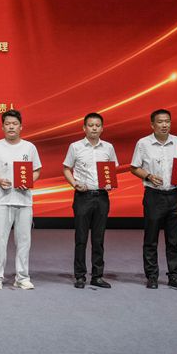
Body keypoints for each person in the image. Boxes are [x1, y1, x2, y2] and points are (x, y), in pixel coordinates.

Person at [130, 109, 177, 290]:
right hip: (154, 196)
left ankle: (174, 276)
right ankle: (152, 276)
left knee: (174, 240)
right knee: (151, 239)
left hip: (175, 196)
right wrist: (148, 176)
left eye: (167, 121)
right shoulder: (143, 143)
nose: (165, 125)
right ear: (152, 125)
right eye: (160, 122)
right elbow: (134, 167)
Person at [0, 109, 41, 290]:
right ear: (2, 127)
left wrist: (29, 182)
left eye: (14, 124)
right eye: (7, 124)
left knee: (24, 240)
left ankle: (22, 277)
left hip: (23, 200)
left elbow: (37, 170)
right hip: (1, 199)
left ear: (21, 127)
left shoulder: (29, 147)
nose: (11, 127)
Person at [62, 113, 117, 289]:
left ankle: (97, 276)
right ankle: (80, 276)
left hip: (102, 196)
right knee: (81, 238)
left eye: (97, 125)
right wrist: (74, 184)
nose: (94, 128)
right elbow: (66, 169)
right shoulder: (75, 147)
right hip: (83, 197)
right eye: (91, 125)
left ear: (102, 128)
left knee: (98, 238)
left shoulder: (108, 147)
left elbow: (112, 170)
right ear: (84, 128)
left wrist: (110, 183)